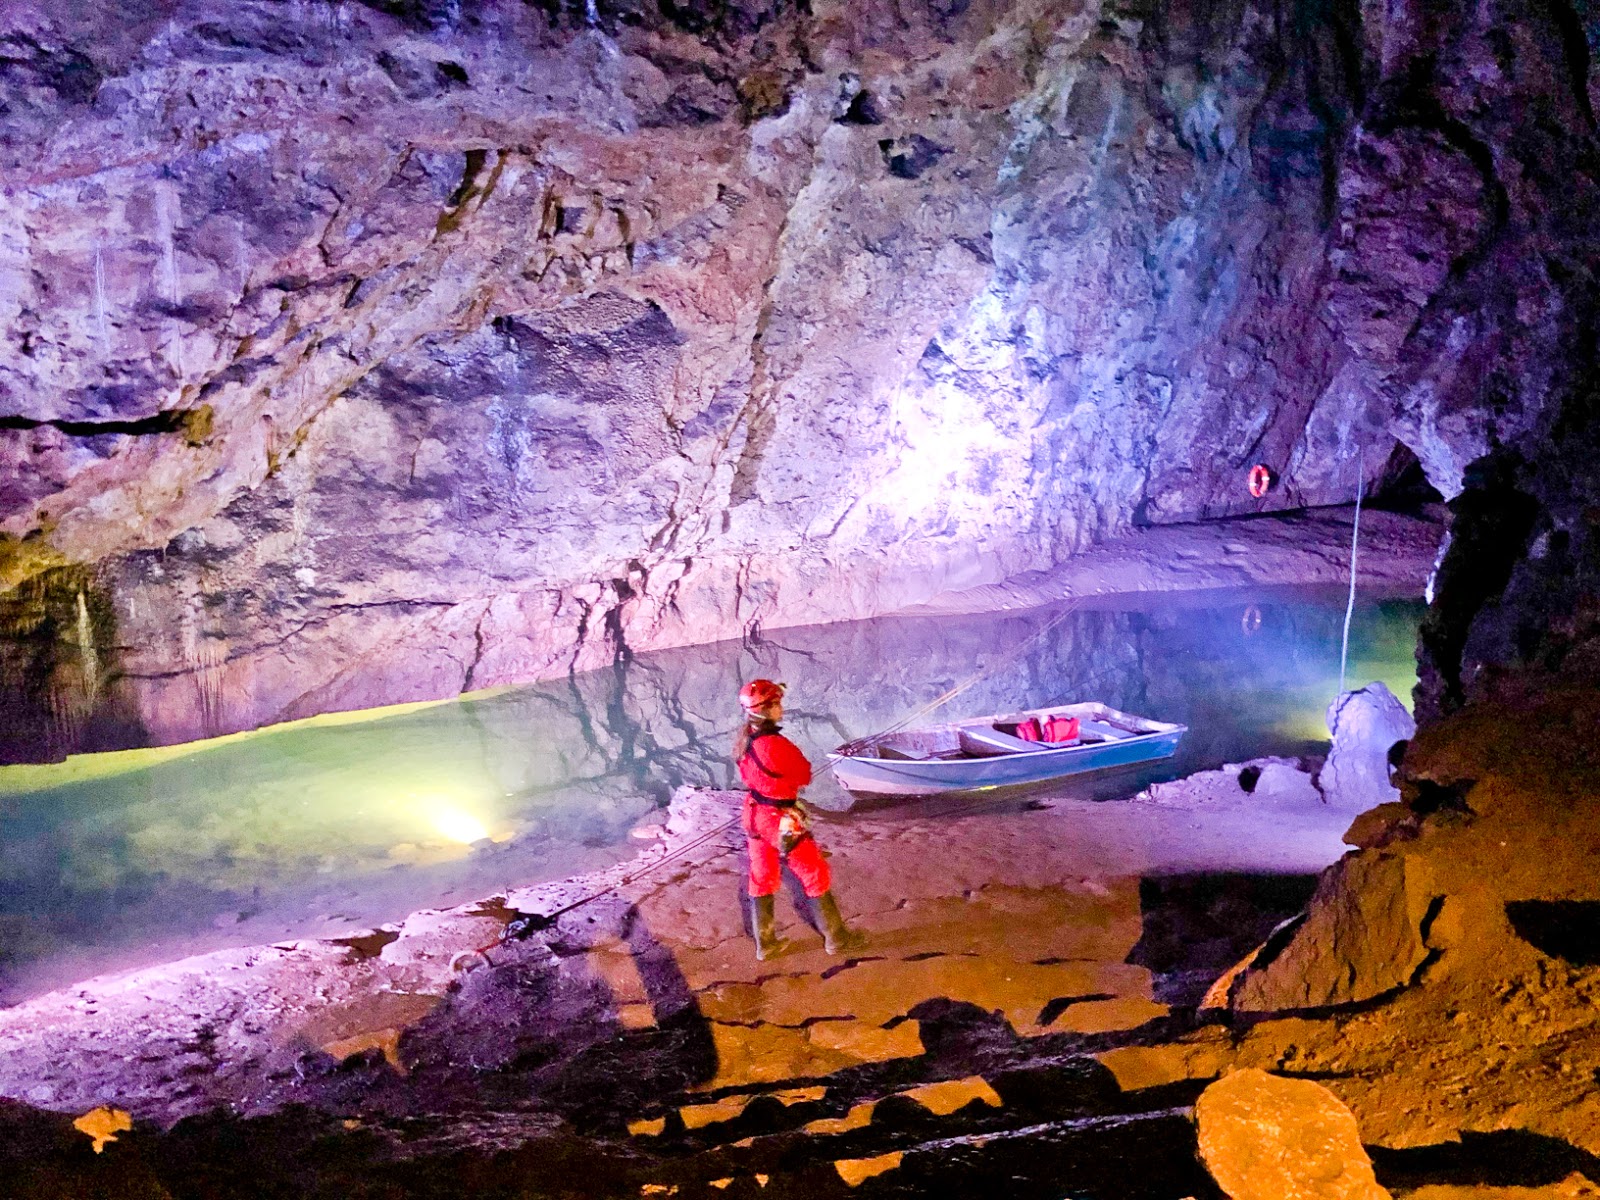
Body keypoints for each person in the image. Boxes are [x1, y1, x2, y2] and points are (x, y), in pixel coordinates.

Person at [733, 679, 866, 960]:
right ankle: (837, 939)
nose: (781, 707)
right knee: (813, 872)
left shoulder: (744, 742)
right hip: (778, 818)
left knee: (762, 876)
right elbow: (803, 775)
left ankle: (765, 945)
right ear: (766, 709)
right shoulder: (776, 744)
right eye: (777, 703)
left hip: (753, 813)